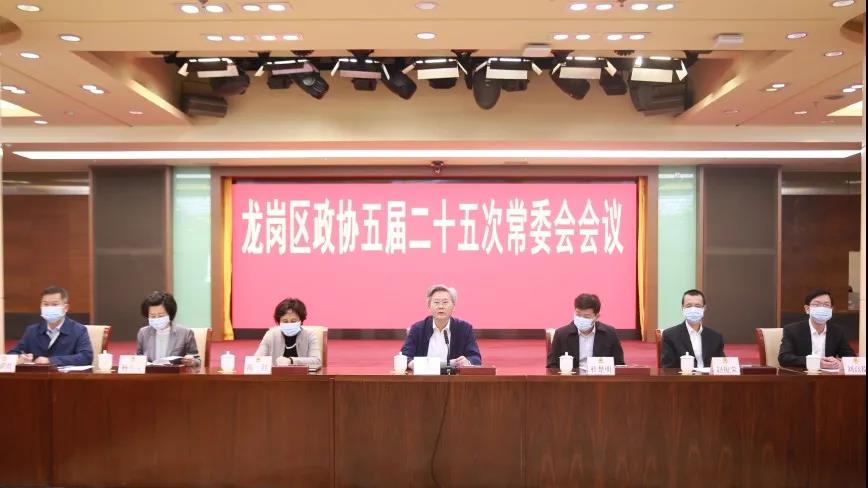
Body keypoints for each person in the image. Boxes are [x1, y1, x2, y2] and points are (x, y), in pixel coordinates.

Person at [8, 285, 93, 366]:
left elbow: (86, 357)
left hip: (67, 375)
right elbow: (12, 353)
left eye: (55, 304)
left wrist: (50, 360)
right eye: (46, 304)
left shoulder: (79, 330)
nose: (49, 308)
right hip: (38, 375)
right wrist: (20, 358)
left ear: (66, 308)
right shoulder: (32, 331)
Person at [401, 284, 482, 368]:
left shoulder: (465, 329)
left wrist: (467, 361)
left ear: (454, 307)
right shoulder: (417, 329)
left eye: (445, 302)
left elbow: (475, 358)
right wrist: (412, 364)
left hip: (453, 376)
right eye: (436, 302)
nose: (441, 307)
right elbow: (404, 356)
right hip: (425, 375)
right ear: (429, 306)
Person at [778, 289, 855, 369]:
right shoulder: (792, 330)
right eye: (816, 304)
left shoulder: (837, 331)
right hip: (802, 374)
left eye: (826, 305)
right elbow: (784, 358)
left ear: (831, 309)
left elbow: (850, 357)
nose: (821, 308)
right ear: (807, 309)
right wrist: (815, 363)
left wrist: (839, 361)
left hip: (829, 375)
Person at [546, 293, 625, 369]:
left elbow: (619, 364)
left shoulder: (610, 333)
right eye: (578, 314)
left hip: (599, 377)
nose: (581, 319)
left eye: (586, 316)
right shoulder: (561, 334)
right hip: (572, 376)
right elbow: (552, 366)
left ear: (596, 317)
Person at [660, 289, 725, 368]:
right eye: (689, 306)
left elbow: (721, 366)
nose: (693, 309)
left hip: (708, 376)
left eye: (697, 306)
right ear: (683, 308)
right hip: (684, 375)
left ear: (704, 308)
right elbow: (667, 368)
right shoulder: (670, 335)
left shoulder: (715, 337)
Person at [135, 291, 200, 367]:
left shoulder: (185, 333)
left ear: (170, 314)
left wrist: (192, 361)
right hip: (151, 373)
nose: (156, 319)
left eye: (161, 316)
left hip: (175, 373)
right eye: (152, 316)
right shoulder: (143, 333)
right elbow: (138, 357)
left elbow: (197, 360)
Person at [254, 298, 322, 369]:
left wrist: (291, 361)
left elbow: (317, 361)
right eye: (285, 321)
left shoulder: (309, 335)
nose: (289, 324)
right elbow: (257, 360)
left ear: (300, 320)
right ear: (279, 321)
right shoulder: (270, 335)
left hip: (302, 375)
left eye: (293, 321)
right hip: (277, 375)